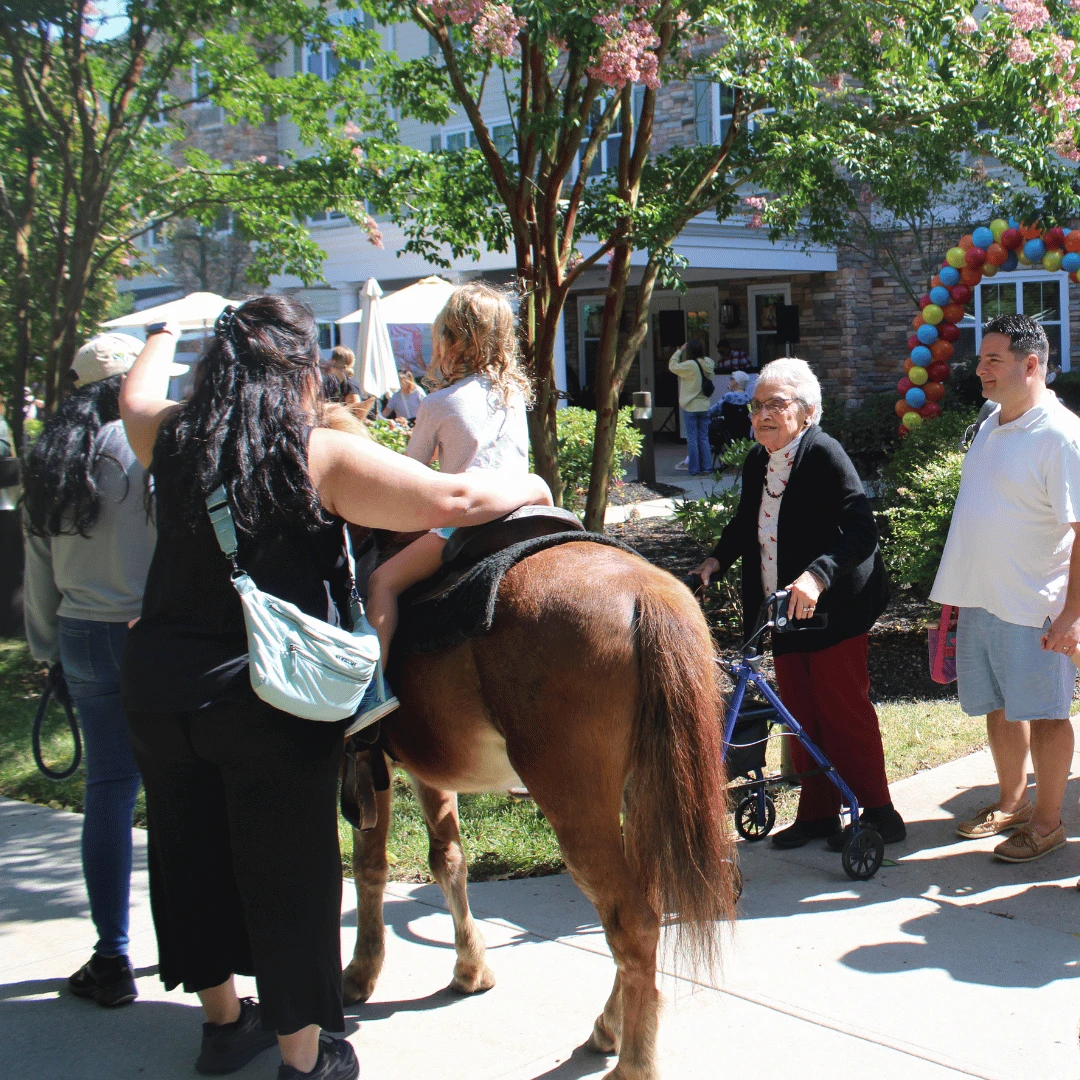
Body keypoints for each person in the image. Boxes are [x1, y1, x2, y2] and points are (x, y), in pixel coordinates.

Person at [117, 296, 549, 1080]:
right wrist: (531, 485)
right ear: (300, 371)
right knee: (287, 878)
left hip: (157, 690)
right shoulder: (312, 454)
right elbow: (449, 501)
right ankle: (305, 1058)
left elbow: (134, 399)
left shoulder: (171, 437)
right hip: (264, 700)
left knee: (187, 858)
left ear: (216, 368)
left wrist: (158, 331)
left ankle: (222, 1028)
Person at [22, 332, 184, 1007]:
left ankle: (110, 957)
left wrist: (44, 650)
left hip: (83, 634)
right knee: (178, 794)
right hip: (157, 632)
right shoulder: (152, 449)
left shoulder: (51, 461)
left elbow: (38, 578)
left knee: (109, 794)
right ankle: (189, 951)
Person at [694, 357, 900, 849]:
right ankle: (818, 814)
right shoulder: (758, 461)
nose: (762, 414)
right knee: (799, 712)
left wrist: (817, 576)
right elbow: (747, 523)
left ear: (806, 411)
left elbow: (861, 530)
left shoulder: (824, 453)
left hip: (836, 607)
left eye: (776, 404)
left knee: (842, 707)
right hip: (782, 608)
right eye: (756, 404)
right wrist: (715, 561)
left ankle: (878, 811)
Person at [930, 314, 1080, 864]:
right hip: (982, 597)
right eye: (981, 359)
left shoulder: (1062, 436)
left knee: (1045, 713)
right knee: (999, 706)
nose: (981, 370)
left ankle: (1047, 823)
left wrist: (1072, 614)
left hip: (1035, 605)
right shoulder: (992, 421)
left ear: (1031, 364)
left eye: (993, 360)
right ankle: (1013, 802)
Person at [360, 283, 532, 729]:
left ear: (452, 338)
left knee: (381, 582)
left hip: (466, 525)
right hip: (526, 513)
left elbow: (408, 479)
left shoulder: (437, 403)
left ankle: (370, 698)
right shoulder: (513, 397)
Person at [669, 339, 716, 476]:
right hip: (704, 405)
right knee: (704, 438)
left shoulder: (689, 365)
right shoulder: (708, 362)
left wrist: (679, 350)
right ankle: (707, 468)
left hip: (690, 406)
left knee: (692, 439)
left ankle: (694, 469)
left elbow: (672, 365)